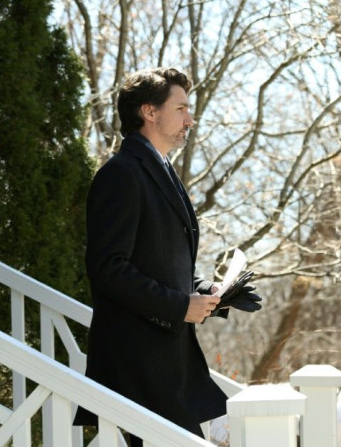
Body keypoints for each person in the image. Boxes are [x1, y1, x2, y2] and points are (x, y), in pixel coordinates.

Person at [73, 67, 259, 444]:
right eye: (181, 109)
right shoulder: (122, 174)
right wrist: (178, 306)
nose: (190, 120)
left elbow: (160, 265)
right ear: (150, 112)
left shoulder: (161, 171)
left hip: (170, 363)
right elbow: (107, 268)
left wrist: (212, 293)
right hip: (139, 364)